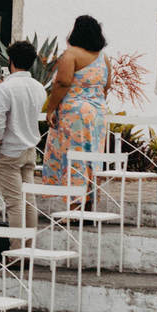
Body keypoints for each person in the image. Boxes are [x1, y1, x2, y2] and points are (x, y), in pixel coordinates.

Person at [43, 16, 111, 208]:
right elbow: (107, 86)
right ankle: (89, 201)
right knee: (92, 157)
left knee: (74, 156)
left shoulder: (71, 54)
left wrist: (51, 108)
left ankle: (74, 205)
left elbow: (62, 82)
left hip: (75, 113)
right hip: (98, 113)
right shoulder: (103, 58)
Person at [0, 41, 48, 228]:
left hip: (9, 150)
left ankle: (15, 254)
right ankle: (26, 250)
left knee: (14, 203)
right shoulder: (39, 87)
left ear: (10, 60)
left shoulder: (5, 88)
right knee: (29, 201)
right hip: (29, 148)